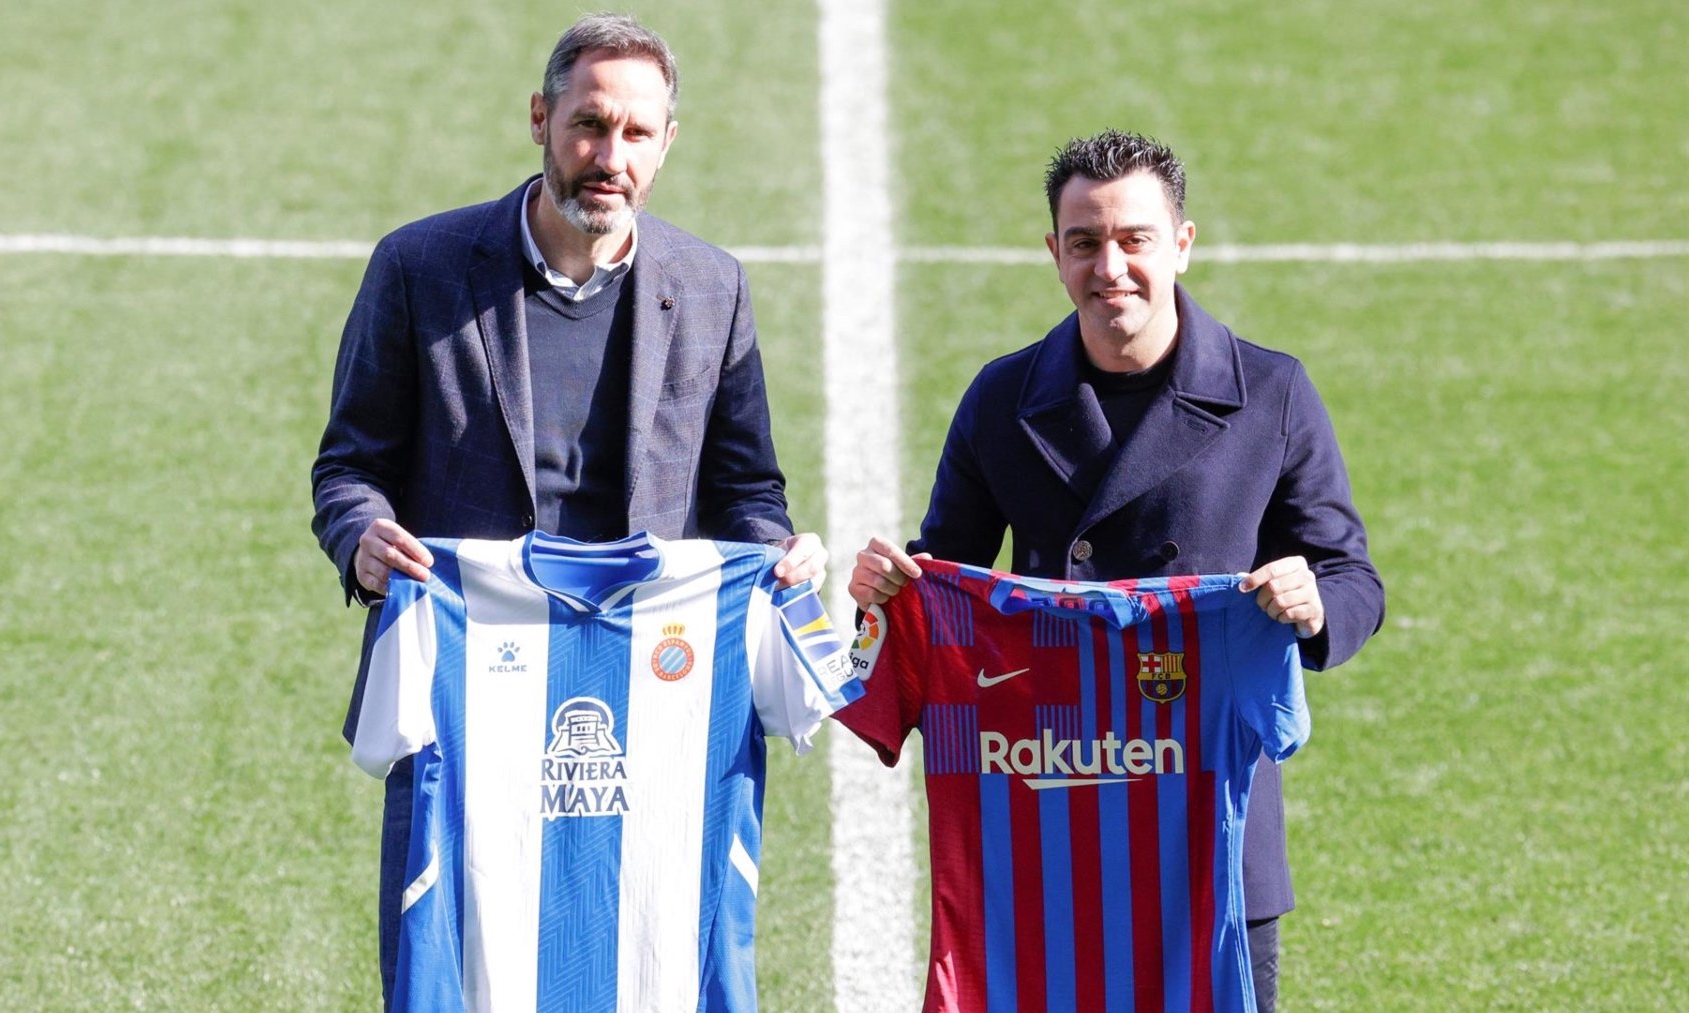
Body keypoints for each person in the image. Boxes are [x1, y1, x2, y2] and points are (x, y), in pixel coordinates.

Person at [310, 14, 825, 1004]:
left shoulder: (711, 286)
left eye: (637, 134)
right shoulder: (419, 268)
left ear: (668, 141)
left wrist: (779, 556)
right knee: (456, 966)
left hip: (653, 702)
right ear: (541, 119)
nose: (610, 156)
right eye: (590, 126)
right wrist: (361, 538)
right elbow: (350, 464)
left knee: (644, 956)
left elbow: (746, 490)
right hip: (471, 700)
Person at [846, 129, 1384, 1012]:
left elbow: (1355, 578)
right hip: (1045, 819)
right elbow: (946, 575)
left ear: (1182, 242)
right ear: (1054, 253)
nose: (1112, 267)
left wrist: (1313, 600)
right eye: (1086, 243)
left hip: (1212, 835)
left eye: (1134, 239)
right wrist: (890, 592)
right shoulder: (1001, 397)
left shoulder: (1272, 392)